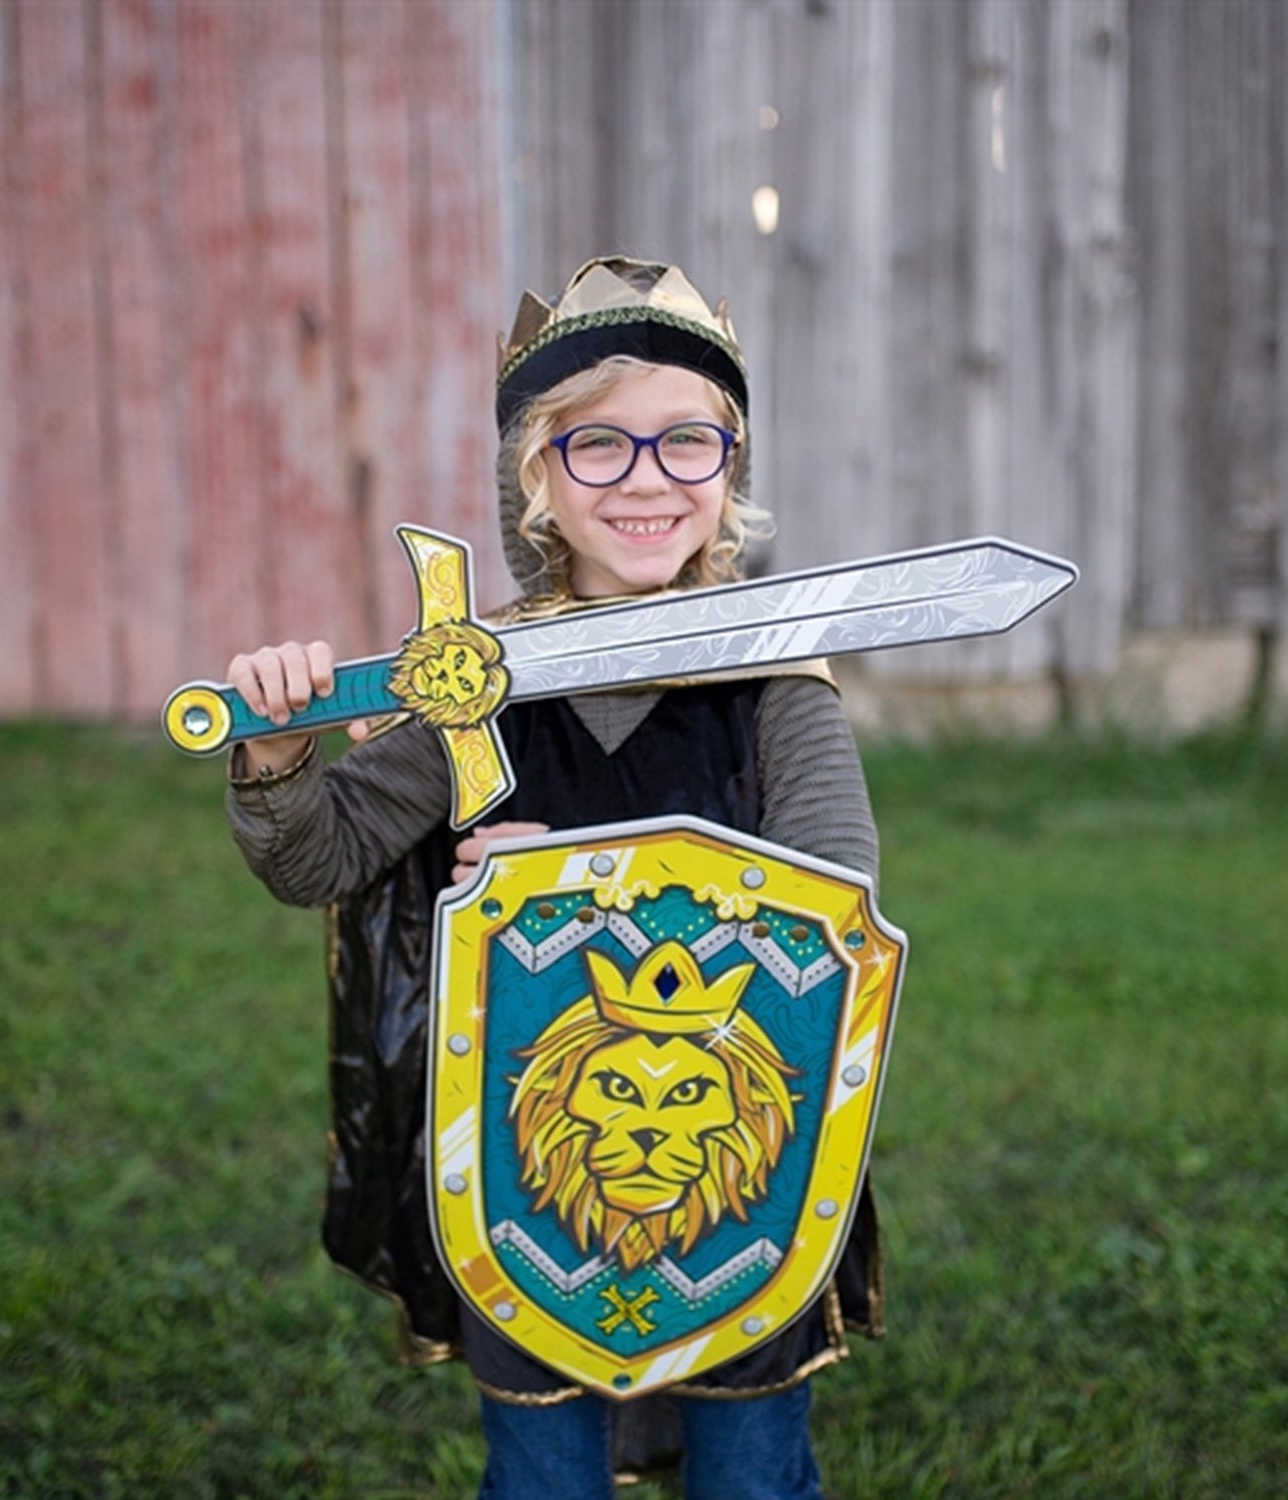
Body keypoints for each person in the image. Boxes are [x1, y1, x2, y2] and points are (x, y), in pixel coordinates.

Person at [224, 257, 883, 1500]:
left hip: (743, 1148)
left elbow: (832, 903)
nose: (647, 479)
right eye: (598, 445)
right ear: (535, 472)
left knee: (752, 1476)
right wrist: (274, 749)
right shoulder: (474, 684)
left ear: (730, 467)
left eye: (687, 441)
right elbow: (318, 857)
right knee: (541, 1480)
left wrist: (576, 883)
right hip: (528, 1165)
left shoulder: (772, 676)